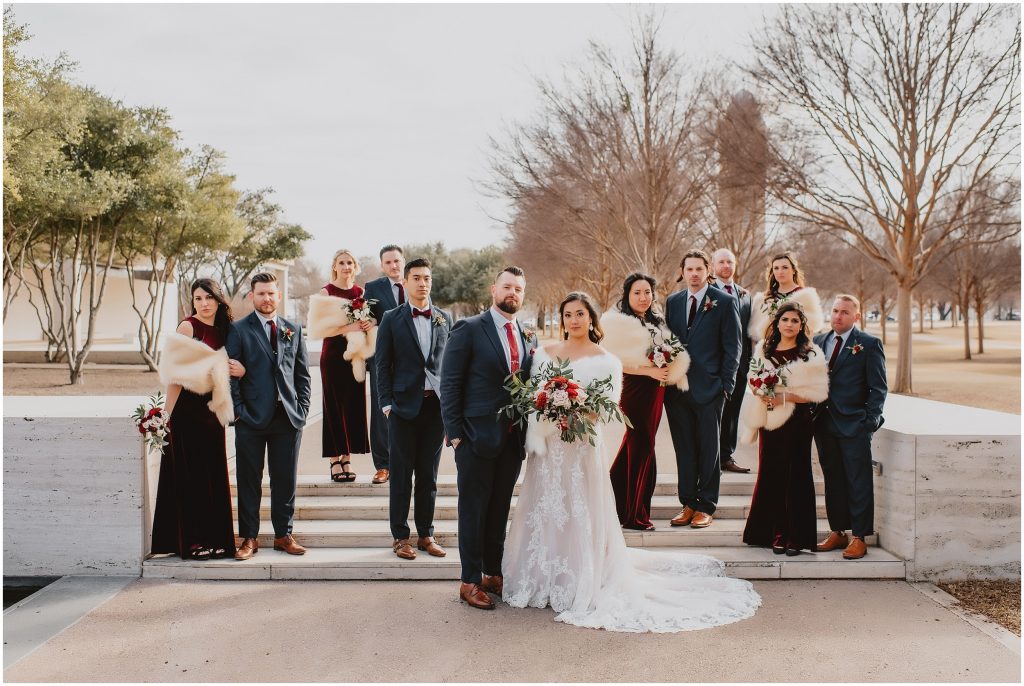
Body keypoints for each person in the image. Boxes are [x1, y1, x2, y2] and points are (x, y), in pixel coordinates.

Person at [503, 291, 760, 632]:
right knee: (547, 506)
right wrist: (550, 405)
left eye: (580, 314)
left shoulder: (606, 359)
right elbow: (535, 396)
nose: (573, 320)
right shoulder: (544, 354)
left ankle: (580, 574)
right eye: (568, 314)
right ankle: (541, 574)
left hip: (581, 446)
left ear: (591, 319)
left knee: (580, 508)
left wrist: (573, 408)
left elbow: (606, 408)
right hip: (550, 448)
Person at [440, 266, 537, 611]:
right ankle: (469, 580)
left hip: (511, 440)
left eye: (519, 289)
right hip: (475, 438)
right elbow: (449, 383)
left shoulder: (526, 335)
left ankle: (493, 574)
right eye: (507, 286)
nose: (513, 293)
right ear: (493, 289)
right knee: (473, 510)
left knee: (498, 510)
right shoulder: (468, 329)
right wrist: (455, 436)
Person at [151, 278, 243, 560]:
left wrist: (241, 371)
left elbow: (234, 365)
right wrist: (167, 414)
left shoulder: (228, 330)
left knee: (211, 476)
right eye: (198, 298)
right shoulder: (187, 326)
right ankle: (191, 541)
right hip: (188, 412)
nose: (203, 303)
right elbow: (175, 376)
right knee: (190, 478)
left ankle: (217, 539)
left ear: (218, 299)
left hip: (213, 411)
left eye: (208, 298)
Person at [226, 272, 312, 560]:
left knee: (285, 480)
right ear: (252, 296)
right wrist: (238, 413)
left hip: (287, 418)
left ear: (278, 295)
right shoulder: (238, 330)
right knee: (249, 480)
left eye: (271, 293)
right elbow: (230, 375)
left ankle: (283, 535)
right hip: (250, 419)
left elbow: (302, 374)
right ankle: (249, 537)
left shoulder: (293, 328)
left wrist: (302, 408)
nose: (266, 298)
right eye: (260, 293)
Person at [375, 258, 452, 560]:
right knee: (401, 475)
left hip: (435, 409)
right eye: (417, 277)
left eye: (427, 278)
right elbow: (382, 365)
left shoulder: (445, 318)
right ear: (405, 282)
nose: (423, 283)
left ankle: (426, 534)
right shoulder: (392, 319)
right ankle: (400, 537)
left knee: (429, 476)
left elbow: (451, 366)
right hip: (402, 408)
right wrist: (386, 405)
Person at [739, 302, 829, 555]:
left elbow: (817, 393)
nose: (789, 325)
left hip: (798, 422)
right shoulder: (764, 350)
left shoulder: (810, 354)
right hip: (770, 421)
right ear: (777, 323)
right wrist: (760, 389)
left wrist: (784, 397)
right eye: (785, 320)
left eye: (795, 321)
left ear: (801, 326)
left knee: (796, 476)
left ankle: (796, 537)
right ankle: (773, 533)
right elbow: (752, 379)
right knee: (771, 473)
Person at [601, 273, 689, 531]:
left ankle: (614, 504)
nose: (643, 297)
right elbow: (613, 360)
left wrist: (667, 364)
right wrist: (648, 371)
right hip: (635, 387)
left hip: (656, 389)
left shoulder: (657, 320)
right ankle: (634, 514)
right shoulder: (617, 322)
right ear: (627, 295)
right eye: (637, 292)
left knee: (637, 444)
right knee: (642, 444)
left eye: (647, 292)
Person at [664, 249, 742, 529]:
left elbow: (733, 347)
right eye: (689, 269)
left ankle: (706, 505)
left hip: (711, 390)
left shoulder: (724, 301)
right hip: (676, 391)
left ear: (707, 271)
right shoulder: (672, 302)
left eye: (699, 269)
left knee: (710, 449)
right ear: (682, 272)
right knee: (684, 448)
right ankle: (688, 503)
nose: (694, 274)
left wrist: (726, 387)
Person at [813, 295, 887, 560]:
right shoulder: (818, 342)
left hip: (854, 425)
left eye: (845, 312)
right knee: (833, 481)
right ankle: (838, 531)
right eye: (834, 311)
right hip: (824, 425)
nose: (838, 316)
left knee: (859, 481)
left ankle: (859, 536)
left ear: (856, 316)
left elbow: (878, 388)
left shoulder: (868, 344)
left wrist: (869, 423)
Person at [317, 249, 372, 482]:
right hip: (332, 356)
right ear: (335, 266)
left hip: (355, 356)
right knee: (333, 405)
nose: (346, 266)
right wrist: (351, 328)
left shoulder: (361, 292)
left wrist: (369, 325)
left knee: (352, 406)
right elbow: (320, 328)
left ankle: (347, 457)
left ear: (355, 266)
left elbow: (367, 323)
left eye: (350, 262)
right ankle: (333, 459)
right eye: (342, 262)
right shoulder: (326, 292)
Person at [363, 244, 407, 484]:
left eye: (397, 261)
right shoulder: (373, 288)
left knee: (409, 411)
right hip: (382, 360)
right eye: (388, 262)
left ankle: (405, 463)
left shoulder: (415, 283)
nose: (393, 265)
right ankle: (382, 466)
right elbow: (365, 318)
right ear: (382, 265)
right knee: (381, 413)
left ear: (403, 261)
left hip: (411, 363)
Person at [712, 248, 753, 474]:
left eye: (730, 262)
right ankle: (712, 458)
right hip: (715, 366)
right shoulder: (708, 293)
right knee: (714, 413)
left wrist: (746, 364)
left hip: (740, 367)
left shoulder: (745, 295)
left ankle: (727, 456)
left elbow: (747, 334)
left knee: (732, 413)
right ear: (713, 266)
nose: (726, 266)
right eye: (721, 262)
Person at [748, 252, 824, 342]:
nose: (780, 271)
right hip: (769, 350)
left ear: (793, 270)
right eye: (776, 268)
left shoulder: (805, 296)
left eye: (785, 267)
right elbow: (757, 334)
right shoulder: (764, 299)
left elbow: (810, 329)